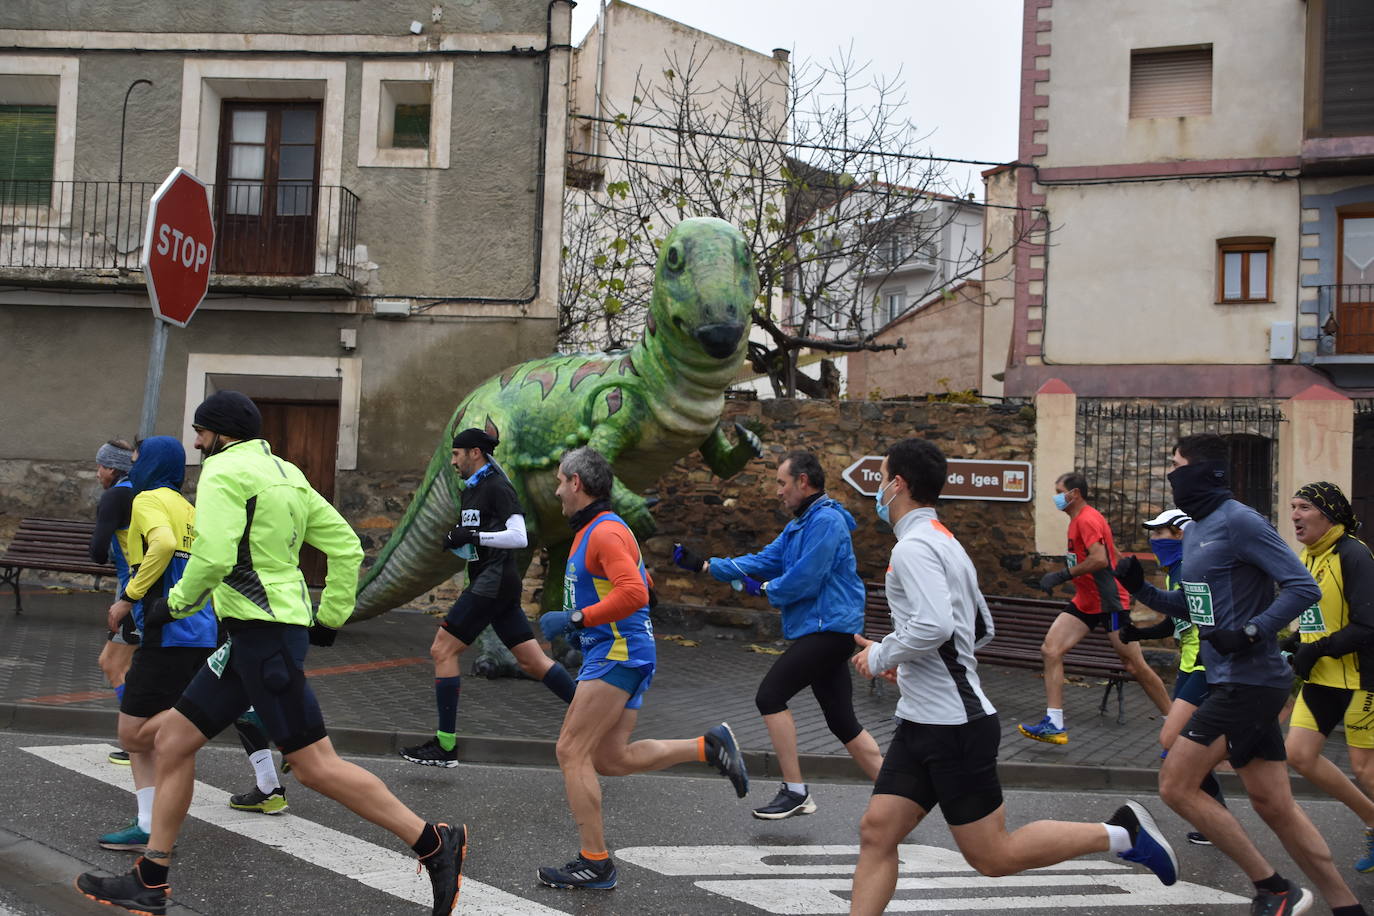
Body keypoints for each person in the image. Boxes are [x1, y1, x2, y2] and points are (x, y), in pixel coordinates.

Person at [76, 391, 466, 916]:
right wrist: (329, 616)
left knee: (314, 767)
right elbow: (348, 547)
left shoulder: (222, 471)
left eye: (200, 431)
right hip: (254, 638)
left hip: (263, 639)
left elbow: (213, 556)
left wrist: (174, 602)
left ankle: (433, 842)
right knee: (171, 742)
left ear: (219, 433)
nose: (196, 441)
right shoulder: (287, 472)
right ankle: (151, 878)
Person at [847, 438, 1178, 916]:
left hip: (953, 728)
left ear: (897, 484)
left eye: (880, 479)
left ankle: (1124, 833)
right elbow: (979, 627)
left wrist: (883, 655)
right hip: (924, 720)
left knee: (993, 855)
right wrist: (922, 662)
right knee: (877, 831)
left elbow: (937, 626)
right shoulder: (945, 541)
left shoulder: (915, 547)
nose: (877, 489)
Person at [1115, 434, 1367, 916]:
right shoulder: (1197, 531)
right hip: (1232, 678)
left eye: (1176, 465)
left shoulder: (1241, 521)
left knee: (1176, 784)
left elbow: (1302, 586)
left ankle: (1274, 889)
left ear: (1202, 472)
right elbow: (1191, 605)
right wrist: (1139, 588)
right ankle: (1346, 906)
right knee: (1275, 806)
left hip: (1250, 680)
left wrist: (1253, 631)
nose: (1171, 475)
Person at [535, 446, 748, 890]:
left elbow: (633, 593)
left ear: (577, 482)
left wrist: (578, 619)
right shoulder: (599, 529)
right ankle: (708, 747)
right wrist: (585, 627)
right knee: (610, 758)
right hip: (620, 651)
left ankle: (595, 862)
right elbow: (646, 588)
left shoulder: (604, 532)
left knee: (570, 750)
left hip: (617, 654)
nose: (556, 489)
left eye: (560, 480)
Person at [671, 450, 882, 819]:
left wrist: (765, 590)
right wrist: (707, 565)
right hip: (821, 630)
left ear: (803, 482)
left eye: (782, 483)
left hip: (830, 630)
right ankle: (901, 794)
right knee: (842, 721)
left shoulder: (827, 522)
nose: (777, 491)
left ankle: (795, 790)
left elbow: (806, 576)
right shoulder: (799, 524)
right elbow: (763, 559)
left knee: (770, 696)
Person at [400, 427, 576, 767]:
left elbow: (519, 537)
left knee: (442, 648)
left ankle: (446, 745)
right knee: (532, 661)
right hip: (492, 581)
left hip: (493, 583)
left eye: (456, 454)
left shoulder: (497, 486)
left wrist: (474, 534)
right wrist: (458, 539)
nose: (452, 461)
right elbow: (478, 540)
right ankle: (595, 716)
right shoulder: (473, 489)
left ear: (475, 453)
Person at [95, 437, 220, 853]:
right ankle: (148, 822)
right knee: (151, 739)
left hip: (166, 632)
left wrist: (128, 597)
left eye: (137, 461)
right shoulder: (190, 507)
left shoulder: (147, 500)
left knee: (131, 734)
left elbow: (163, 545)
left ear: (150, 464)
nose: (133, 469)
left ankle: (199, 719)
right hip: (199, 629)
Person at [1018, 472, 1171, 745]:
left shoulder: (1087, 519)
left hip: (1108, 602)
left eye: (1058, 491)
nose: (1055, 497)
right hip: (1087, 601)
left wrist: (1062, 575)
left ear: (1074, 494)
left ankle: (1176, 728)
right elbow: (1113, 554)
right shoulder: (1080, 520)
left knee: (1135, 667)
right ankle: (1054, 723)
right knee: (1051, 649)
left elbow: (1099, 559)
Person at [1117, 508, 1228, 847]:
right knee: (1184, 739)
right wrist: (1141, 633)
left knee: (1176, 738)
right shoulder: (1175, 571)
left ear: (1181, 534)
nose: (1153, 538)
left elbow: (1193, 611)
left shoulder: (1192, 568)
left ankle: (1234, 755)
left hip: (1203, 664)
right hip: (1187, 663)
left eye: (1160, 532)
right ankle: (1216, 817)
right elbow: (1178, 617)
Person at [1283, 481, 1374, 874]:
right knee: (1299, 755)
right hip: (1323, 675)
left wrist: (1316, 649)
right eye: (1293, 507)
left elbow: (1368, 623)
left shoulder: (1355, 554)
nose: (1295, 516)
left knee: (1365, 768)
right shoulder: (1309, 556)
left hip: (1361, 676)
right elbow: (1317, 620)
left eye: (1303, 507)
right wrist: (1294, 641)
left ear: (1328, 513)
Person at [89, 439, 138, 765]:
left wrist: (103, 553)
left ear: (112, 468)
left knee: (112, 664)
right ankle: (139, 733)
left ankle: (135, 739)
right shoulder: (144, 490)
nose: (97, 473)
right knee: (129, 666)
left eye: (101, 467)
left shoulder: (116, 496)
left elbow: (97, 550)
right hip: (157, 587)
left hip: (133, 592)